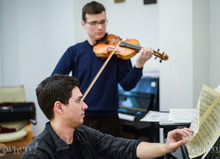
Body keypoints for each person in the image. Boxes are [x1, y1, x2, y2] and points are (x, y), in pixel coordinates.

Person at [23, 74, 194, 159]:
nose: (85, 105)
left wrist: (166, 147)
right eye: (79, 101)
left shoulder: (84, 134)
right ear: (59, 107)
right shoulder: (37, 152)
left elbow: (126, 147)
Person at [51, 1, 154, 137]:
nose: (100, 27)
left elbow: (127, 84)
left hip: (110, 119)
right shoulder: (74, 52)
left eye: (103, 22)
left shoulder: (117, 49)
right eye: (93, 23)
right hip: (81, 117)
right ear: (83, 24)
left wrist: (139, 65)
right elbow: (55, 80)